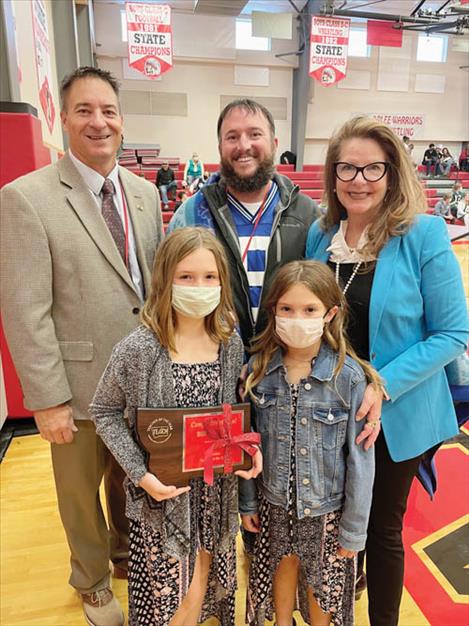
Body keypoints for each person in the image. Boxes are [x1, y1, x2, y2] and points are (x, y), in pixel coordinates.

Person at [0, 66, 163, 626]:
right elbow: (25, 309)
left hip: (141, 379)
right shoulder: (26, 198)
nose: (99, 121)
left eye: (109, 110)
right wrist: (45, 399)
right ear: (62, 119)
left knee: (130, 478)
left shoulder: (144, 195)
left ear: (122, 119)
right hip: (77, 385)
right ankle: (91, 581)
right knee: (79, 492)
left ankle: (123, 555)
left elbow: (149, 288)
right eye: (85, 110)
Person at [305, 116, 468, 626]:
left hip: (398, 411)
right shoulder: (320, 236)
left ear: (392, 174)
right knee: (337, 521)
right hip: (331, 409)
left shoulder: (423, 234)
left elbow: (453, 334)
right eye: (347, 168)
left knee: (381, 529)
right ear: (333, 176)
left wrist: (382, 385)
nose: (359, 180)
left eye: (372, 168)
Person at [90, 227, 261, 626]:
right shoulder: (139, 349)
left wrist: (247, 448)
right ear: (165, 279)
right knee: (171, 601)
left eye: (209, 277)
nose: (198, 286)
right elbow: (104, 411)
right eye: (186, 277)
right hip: (162, 499)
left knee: (202, 587)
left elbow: (232, 414)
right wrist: (141, 474)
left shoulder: (229, 342)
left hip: (215, 498)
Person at [240, 260, 379, 626]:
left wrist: (354, 529)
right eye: (287, 309)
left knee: (324, 587)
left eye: (309, 309)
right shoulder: (258, 372)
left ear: (330, 313)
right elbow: (246, 446)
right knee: (280, 568)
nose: (297, 318)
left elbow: (362, 463)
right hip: (273, 504)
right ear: (273, 312)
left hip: (328, 510)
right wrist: (247, 501)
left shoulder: (348, 378)